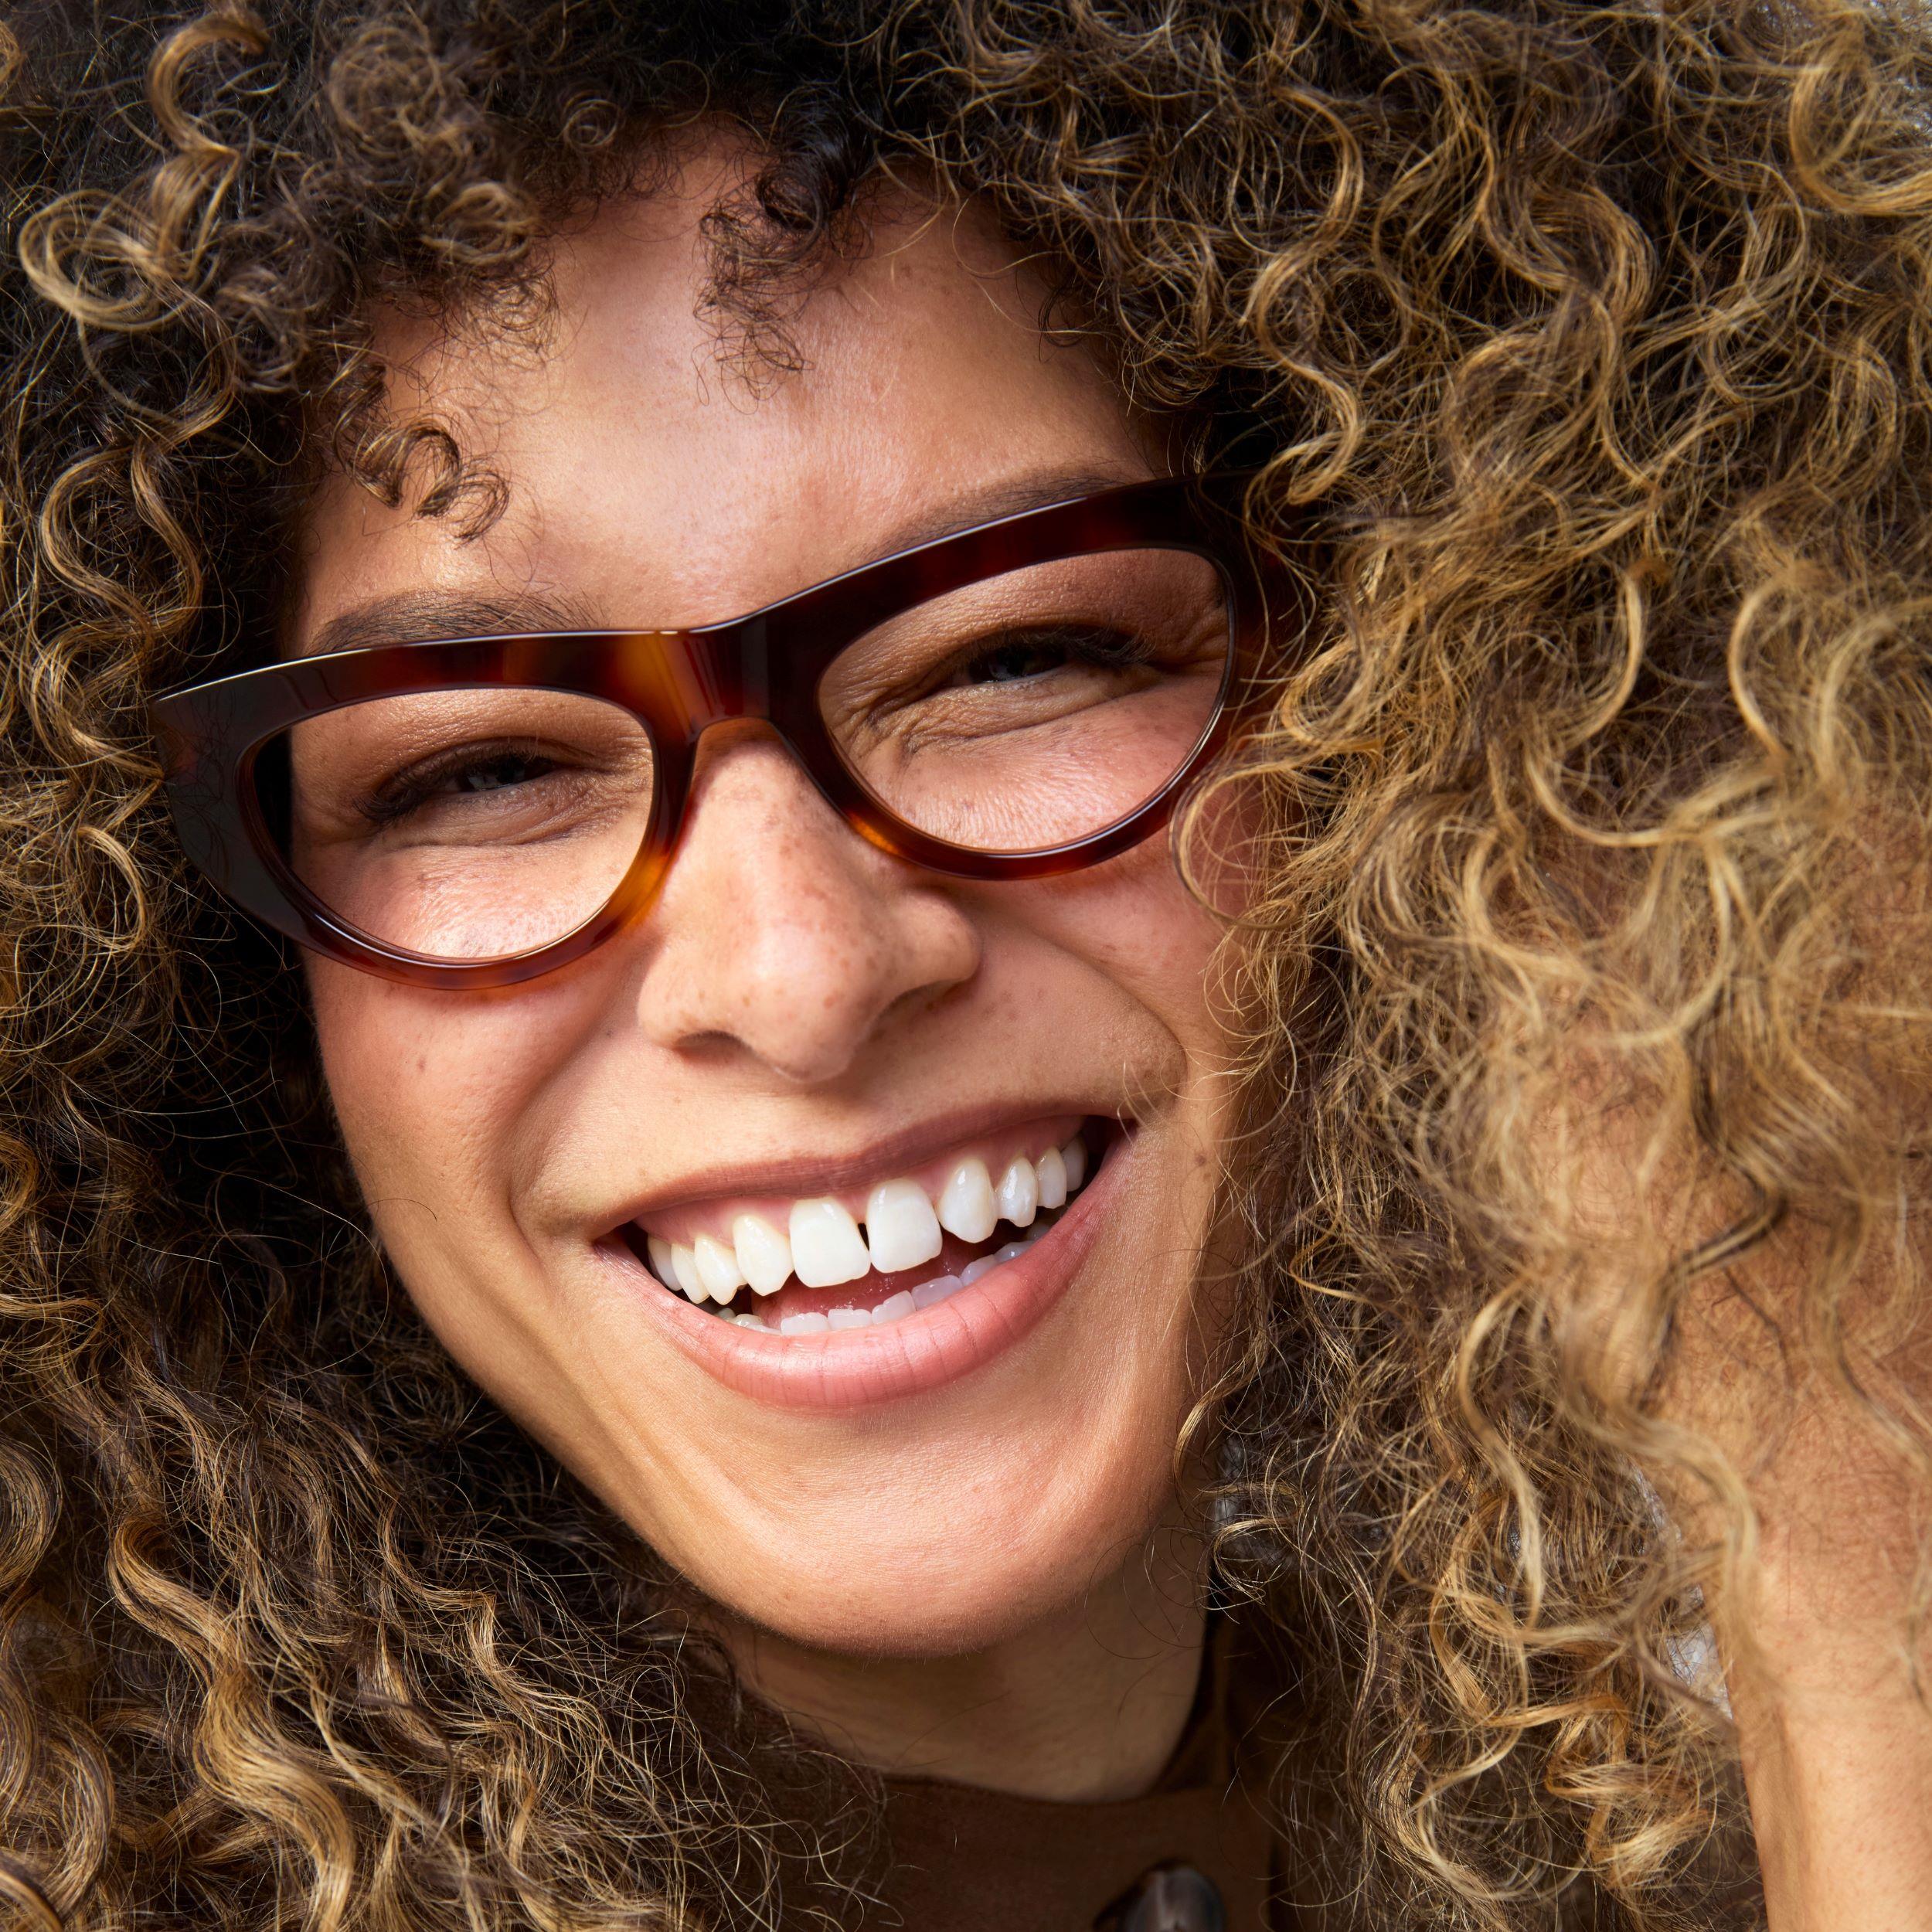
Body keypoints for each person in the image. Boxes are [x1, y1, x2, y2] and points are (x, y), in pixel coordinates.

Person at [1, 2, 1927, 1926]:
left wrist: (1834, 1501)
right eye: (480, 767)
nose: (800, 970)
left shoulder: (1637, 1815)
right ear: (213, 981)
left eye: (1015, 657)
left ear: (1433, 730)